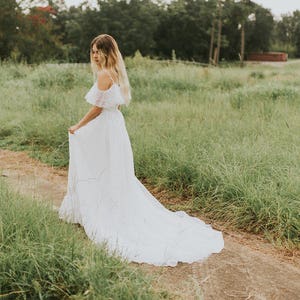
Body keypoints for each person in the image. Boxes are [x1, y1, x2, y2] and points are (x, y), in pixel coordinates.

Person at [59, 34, 224, 267]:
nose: (94, 54)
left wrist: (78, 126)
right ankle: (104, 206)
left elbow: (97, 108)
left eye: (98, 50)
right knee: (111, 169)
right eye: (93, 50)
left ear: (108, 52)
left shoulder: (105, 74)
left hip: (106, 126)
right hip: (113, 126)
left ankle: (106, 213)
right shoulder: (114, 72)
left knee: (103, 166)